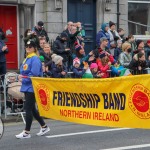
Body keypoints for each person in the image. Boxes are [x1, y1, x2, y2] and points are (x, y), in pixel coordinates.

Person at [15, 40, 50, 139]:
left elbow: (34, 75)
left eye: (30, 46)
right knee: (33, 109)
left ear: (34, 48)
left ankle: (27, 132)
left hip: (32, 87)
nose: (28, 47)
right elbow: (24, 72)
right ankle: (44, 126)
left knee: (28, 109)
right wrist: (20, 77)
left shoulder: (34, 59)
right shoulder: (28, 58)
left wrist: (23, 78)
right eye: (26, 46)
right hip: (27, 86)